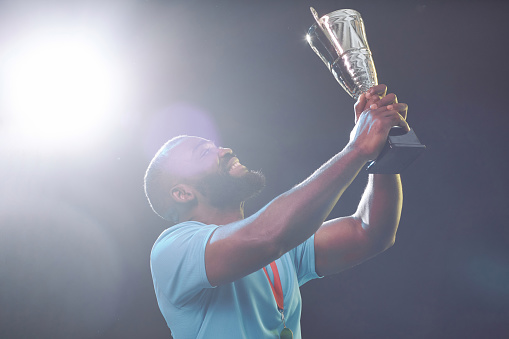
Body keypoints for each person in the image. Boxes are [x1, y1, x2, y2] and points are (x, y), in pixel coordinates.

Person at [145, 84, 409, 339]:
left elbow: (369, 232)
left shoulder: (281, 246)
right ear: (183, 193)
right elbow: (268, 236)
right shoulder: (172, 249)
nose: (224, 150)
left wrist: (382, 151)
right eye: (204, 152)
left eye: (216, 145)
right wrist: (357, 149)